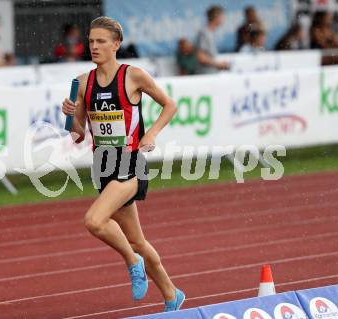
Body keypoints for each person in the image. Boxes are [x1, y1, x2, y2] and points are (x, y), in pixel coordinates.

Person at [61, 16, 184, 312]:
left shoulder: (134, 75)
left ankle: (132, 261)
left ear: (116, 44)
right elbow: (77, 133)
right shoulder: (80, 83)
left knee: (94, 221)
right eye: (91, 41)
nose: (94, 46)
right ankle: (172, 295)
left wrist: (151, 134)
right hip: (102, 165)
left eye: (101, 41)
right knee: (138, 240)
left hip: (130, 162)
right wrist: (70, 115)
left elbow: (170, 104)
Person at [195, 5, 229, 74]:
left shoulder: (211, 33)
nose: (224, 19)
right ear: (216, 17)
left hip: (211, 73)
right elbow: (200, 56)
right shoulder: (204, 33)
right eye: (222, 17)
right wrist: (219, 64)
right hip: (205, 75)